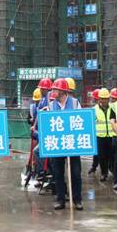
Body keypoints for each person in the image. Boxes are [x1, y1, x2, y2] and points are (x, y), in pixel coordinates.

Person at [48, 78, 83, 211]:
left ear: (62, 91)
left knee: (75, 173)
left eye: (55, 89)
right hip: (57, 145)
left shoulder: (75, 103)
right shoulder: (51, 105)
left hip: (72, 144)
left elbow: (81, 120)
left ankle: (77, 199)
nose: (53, 91)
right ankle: (60, 199)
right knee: (58, 173)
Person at [89, 88, 116, 182]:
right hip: (100, 136)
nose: (104, 101)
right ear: (99, 99)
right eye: (102, 98)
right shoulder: (94, 110)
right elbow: (91, 123)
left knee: (112, 155)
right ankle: (104, 173)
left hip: (111, 135)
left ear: (108, 99)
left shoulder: (113, 108)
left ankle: (113, 171)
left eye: (106, 99)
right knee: (101, 156)